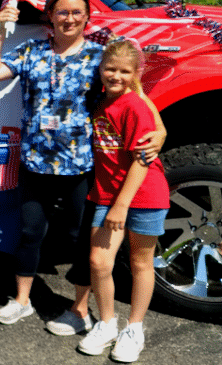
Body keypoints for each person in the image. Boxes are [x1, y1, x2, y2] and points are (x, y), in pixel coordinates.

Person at [0, 0, 165, 335]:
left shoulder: (99, 58)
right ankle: (22, 301)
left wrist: (161, 130)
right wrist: (0, 31)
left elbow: (135, 91)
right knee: (31, 231)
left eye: (76, 12)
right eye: (61, 11)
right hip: (35, 163)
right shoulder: (32, 50)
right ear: (50, 15)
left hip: (81, 165)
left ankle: (79, 310)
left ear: (87, 18)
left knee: (80, 238)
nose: (69, 18)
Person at [77, 38, 170, 362]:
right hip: (106, 194)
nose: (115, 75)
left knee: (140, 263)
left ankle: (134, 328)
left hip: (143, 195)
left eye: (123, 71)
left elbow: (142, 160)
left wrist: (121, 205)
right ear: (100, 69)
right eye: (109, 69)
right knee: (99, 263)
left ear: (135, 73)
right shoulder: (101, 100)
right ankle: (106, 324)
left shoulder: (134, 105)